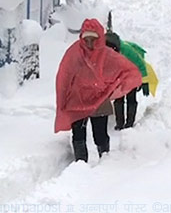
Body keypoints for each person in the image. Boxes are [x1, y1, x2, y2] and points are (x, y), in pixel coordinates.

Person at [55, 19, 143, 161]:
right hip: (77, 100)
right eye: (86, 40)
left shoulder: (107, 54)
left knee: (100, 135)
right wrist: (62, 99)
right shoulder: (74, 53)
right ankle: (80, 165)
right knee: (78, 136)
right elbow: (63, 77)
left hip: (99, 99)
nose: (89, 44)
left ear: (100, 38)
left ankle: (105, 162)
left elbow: (128, 70)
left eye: (93, 40)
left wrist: (117, 86)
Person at [104, 31, 149, 130]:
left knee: (131, 98)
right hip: (119, 75)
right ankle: (119, 123)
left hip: (133, 73)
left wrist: (145, 81)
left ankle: (129, 123)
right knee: (119, 98)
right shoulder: (103, 52)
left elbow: (141, 64)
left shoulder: (127, 51)